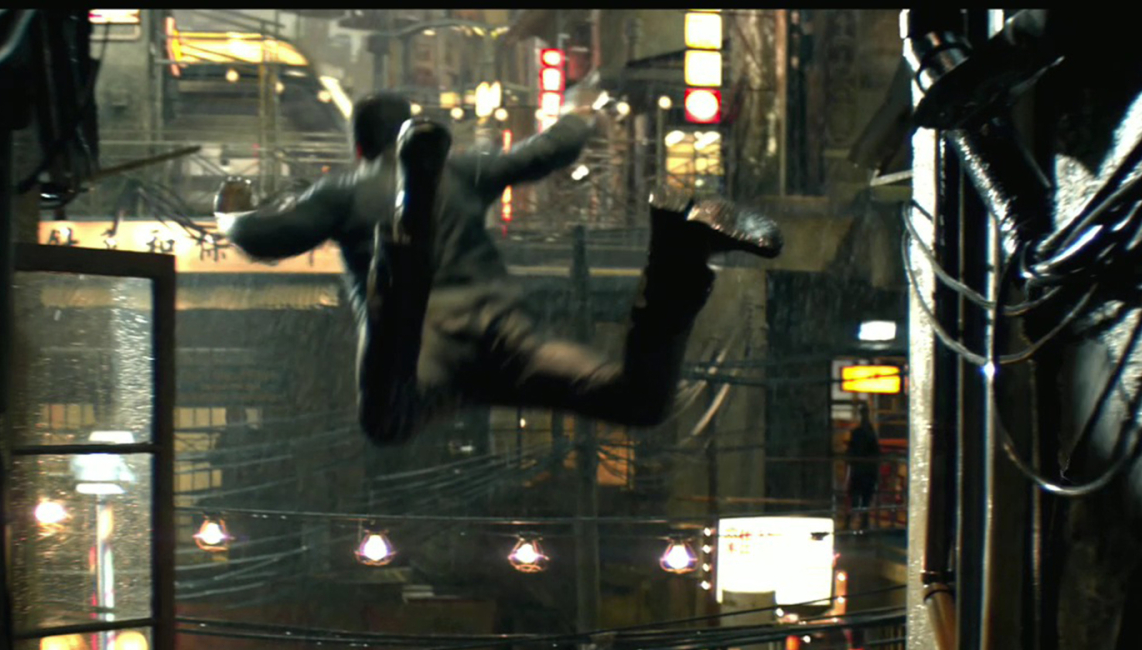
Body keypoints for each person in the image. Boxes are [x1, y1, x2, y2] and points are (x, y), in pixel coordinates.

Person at [215, 92, 784, 447]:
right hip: (504, 340)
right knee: (640, 401)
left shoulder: (341, 193)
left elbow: (265, 238)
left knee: (386, 421)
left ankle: (409, 228)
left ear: (360, 149)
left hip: (425, 350)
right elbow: (542, 154)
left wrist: (230, 212)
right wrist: (581, 118)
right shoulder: (465, 171)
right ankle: (678, 262)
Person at [846, 404, 882, 531]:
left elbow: (851, 451)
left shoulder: (857, 433)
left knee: (856, 498)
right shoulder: (870, 433)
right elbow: (876, 452)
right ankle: (863, 522)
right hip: (867, 470)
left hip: (859, 470)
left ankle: (850, 522)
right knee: (864, 498)